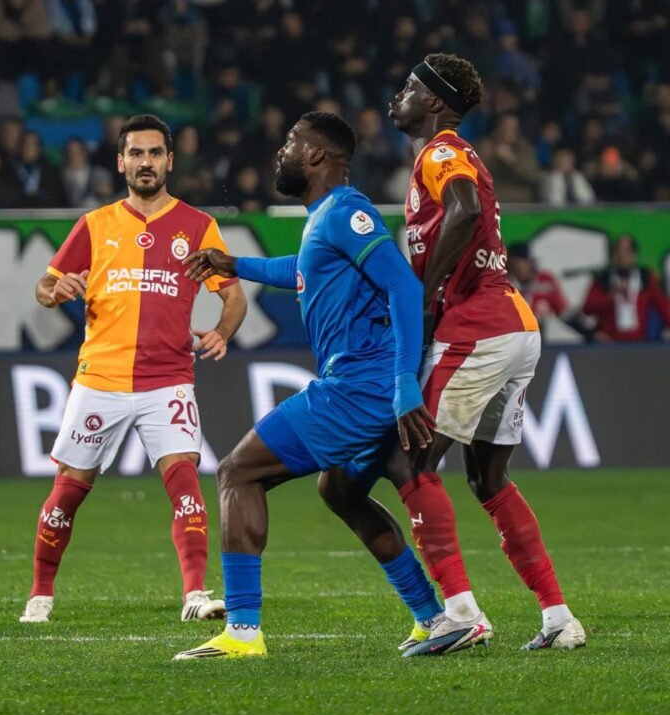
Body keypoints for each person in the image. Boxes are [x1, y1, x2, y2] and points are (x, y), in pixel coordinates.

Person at [322, 54, 585, 655]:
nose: (398, 93)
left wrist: (426, 292)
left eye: (410, 86)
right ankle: (558, 618)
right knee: (488, 477)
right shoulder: (435, 158)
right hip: (513, 327)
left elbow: (464, 211)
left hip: (476, 329)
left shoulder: (442, 152)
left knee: (409, 463)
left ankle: (460, 611)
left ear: (436, 103)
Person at [173, 111, 441, 659]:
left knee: (236, 472)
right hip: (365, 385)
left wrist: (403, 385)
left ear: (317, 156)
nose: (282, 151)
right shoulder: (326, 218)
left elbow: (403, 288)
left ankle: (242, 633)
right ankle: (432, 615)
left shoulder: (347, 212)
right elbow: (306, 268)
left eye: (292, 142)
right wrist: (236, 264)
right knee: (340, 491)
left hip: (359, 387)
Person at [19, 114, 248, 625]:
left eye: (155, 153)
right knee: (67, 493)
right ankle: (40, 593)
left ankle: (194, 594)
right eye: (136, 154)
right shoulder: (95, 225)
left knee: (185, 481)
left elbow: (233, 296)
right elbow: (44, 284)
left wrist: (223, 331)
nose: (146, 163)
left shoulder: (198, 227)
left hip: (168, 378)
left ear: (170, 160)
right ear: (121, 162)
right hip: (99, 378)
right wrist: (53, 292)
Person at [582, 234, 670, 342]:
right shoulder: (604, 278)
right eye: (618, 251)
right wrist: (611, 297)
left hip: (639, 343)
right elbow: (587, 308)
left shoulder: (645, 277)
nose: (621, 255)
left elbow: (663, 306)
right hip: (610, 343)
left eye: (626, 251)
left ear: (634, 255)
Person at [506, 242, 594, 341]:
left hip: (540, 341)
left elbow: (564, 313)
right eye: (519, 261)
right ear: (509, 262)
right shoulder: (502, 282)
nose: (524, 266)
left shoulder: (545, 281)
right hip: (510, 339)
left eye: (527, 261)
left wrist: (591, 333)